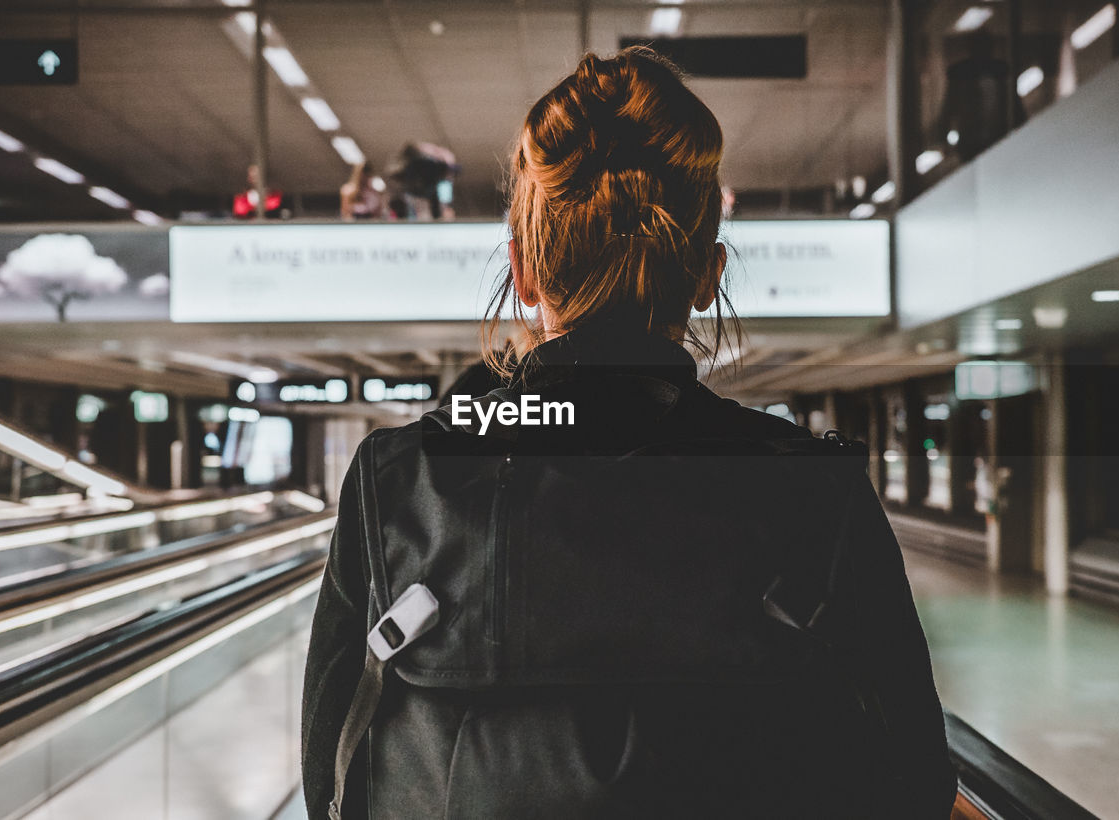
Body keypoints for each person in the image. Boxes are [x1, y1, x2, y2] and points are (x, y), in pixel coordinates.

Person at [302, 47, 956, 819]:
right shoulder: (816, 492)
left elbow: (332, 777)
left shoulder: (400, 480)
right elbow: (913, 781)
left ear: (524, 272)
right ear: (710, 274)